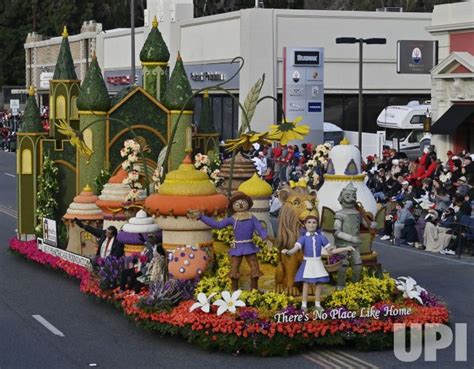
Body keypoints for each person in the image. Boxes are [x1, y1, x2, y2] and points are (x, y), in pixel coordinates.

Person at [189, 192, 270, 291]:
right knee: (234, 268)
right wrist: (201, 217)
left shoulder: (252, 218)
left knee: (254, 267)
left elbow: (260, 229)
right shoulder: (233, 219)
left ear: (248, 204)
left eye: (243, 202)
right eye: (237, 203)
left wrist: (265, 237)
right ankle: (234, 290)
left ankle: (254, 290)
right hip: (238, 247)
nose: (240, 205)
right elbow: (217, 225)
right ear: (232, 207)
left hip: (249, 246)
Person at [282, 215, 352, 311]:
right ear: (305, 224)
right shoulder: (302, 238)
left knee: (319, 283)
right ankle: (304, 304)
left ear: (317, 224)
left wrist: (345, 248)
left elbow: (331, 251)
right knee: (306, 283)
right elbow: (295, 249)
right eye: (309, 222)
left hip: (318, 263)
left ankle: (317, 304)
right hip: (308, 263)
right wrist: (288, 251)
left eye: (314, 222)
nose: (311, 225)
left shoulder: (321, 238)